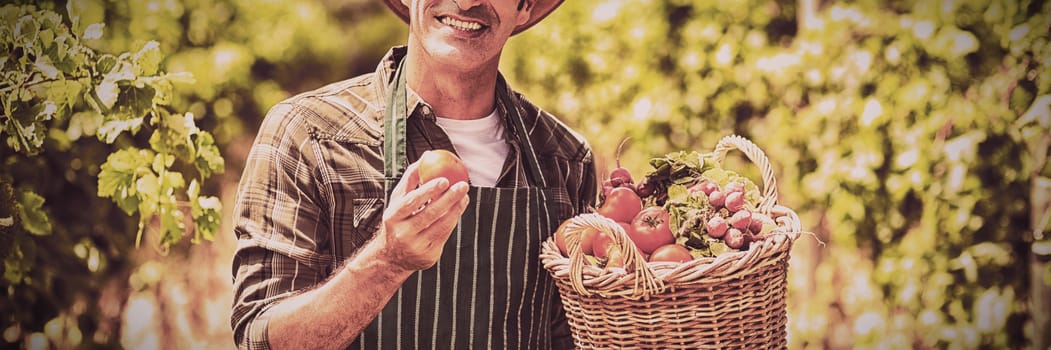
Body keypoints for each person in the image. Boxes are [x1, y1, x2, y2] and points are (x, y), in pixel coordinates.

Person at [229, 0, 596, 348]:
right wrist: (386, 261)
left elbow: (576, 338)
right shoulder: (308, 134)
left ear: (525, 6)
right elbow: (261, 337)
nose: (466, 2)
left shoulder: (565, 160)